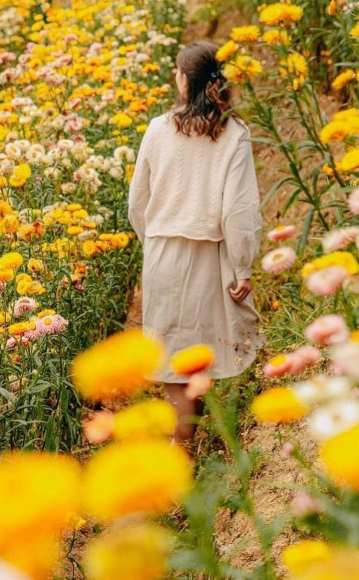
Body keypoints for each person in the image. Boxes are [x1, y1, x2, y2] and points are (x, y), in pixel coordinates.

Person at [128, 40, 264, 444]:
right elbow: (238, 210)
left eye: (176, 71)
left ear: (186, 82)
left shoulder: (157, 129)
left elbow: (139, 200)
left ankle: (182, 446)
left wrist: (152, 241)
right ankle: (198, 440)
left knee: (174, 354)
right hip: (211, 254)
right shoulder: (234, 134)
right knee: (206, 343)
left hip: (164, 252)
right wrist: (243, 265)